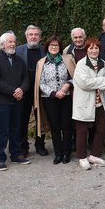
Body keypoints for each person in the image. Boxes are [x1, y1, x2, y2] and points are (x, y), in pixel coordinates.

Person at [0, 31, 31, 170]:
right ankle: (0, 158)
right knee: (2, 130)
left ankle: (16, 155)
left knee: (16, 128)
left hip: (18, 100)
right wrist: (13, 91)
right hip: (3, 101)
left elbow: (26, 78)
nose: (13, 44)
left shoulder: (19, 60)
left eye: (14, 42)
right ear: (2, 45)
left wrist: (21, 90)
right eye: (9, 42)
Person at [34, 35, 74, 164]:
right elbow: (40, 83)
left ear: (60, 47)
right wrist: (53, 93)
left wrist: (65, 88)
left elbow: (73, 76)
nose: (54, 47)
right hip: (50, 98)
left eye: (56, 45)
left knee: (67, 126)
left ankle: (67, 153)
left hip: (66, 97)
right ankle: (58, 153)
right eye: (51, 45)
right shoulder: (42, 63)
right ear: (47, 47)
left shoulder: (67, 60)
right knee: (55, 127)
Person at [72, 38, 105, 170]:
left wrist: (100, 81)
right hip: (84, 102)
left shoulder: (103, 63)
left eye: (96, 48)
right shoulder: (81, 64)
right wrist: (101, 80)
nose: (94, 51)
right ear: (86, 50)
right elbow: (84, 83)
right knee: (82, 130)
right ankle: (82, 158)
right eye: (91, 48)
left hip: (99, 102)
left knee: (102, 127)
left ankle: (94, 155)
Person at [16, 25, 48, 157]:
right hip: (24, 91)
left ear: (40, 37)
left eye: (36, 34)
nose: (33, 37)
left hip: (40, 90)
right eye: (31, 34)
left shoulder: (45, 51)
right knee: (22, 120)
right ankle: (23, 146)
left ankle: (40, 145)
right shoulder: (17, 50)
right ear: (26, 36)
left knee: (41, 118)